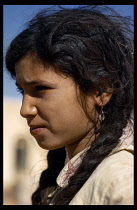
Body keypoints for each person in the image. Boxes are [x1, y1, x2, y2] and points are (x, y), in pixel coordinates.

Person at [5, 5, 134, 205]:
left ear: (101, 91)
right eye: (22, 91)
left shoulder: (121, 184)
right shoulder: (64, 176)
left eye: (40, 88)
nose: (25, 110)